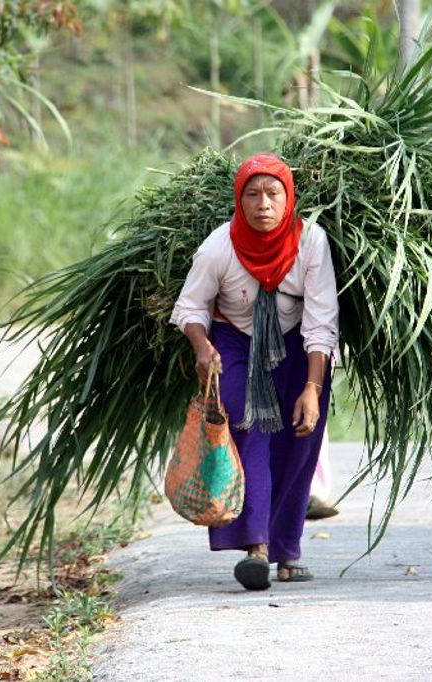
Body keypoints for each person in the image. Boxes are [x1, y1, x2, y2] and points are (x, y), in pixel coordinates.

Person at [170, 153, 339, 591]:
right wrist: (201, 345)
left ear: (288, 200)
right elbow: (190, 307)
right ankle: (256, 547)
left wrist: (312, 389)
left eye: (273, 194)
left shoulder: (311, 242)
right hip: (234, 340)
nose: (263, 204)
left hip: (296, 343)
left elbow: (322, 319)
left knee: (299, 438)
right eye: (252, 194)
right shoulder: (219, 246)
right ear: (238, 200)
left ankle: (287, 549)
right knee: (248, 425)